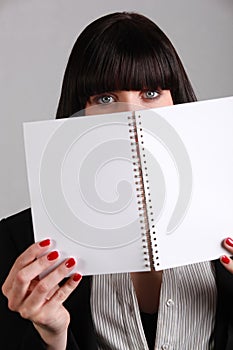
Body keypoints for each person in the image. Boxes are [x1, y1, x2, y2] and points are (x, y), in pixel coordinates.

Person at [1, 11, 233, 350]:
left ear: (177, 103)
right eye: (105, 99)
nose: (132, 117)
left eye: (151, 93)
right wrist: (52, 337)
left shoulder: (226, 221)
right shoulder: (20, 244)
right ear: (77, 114)